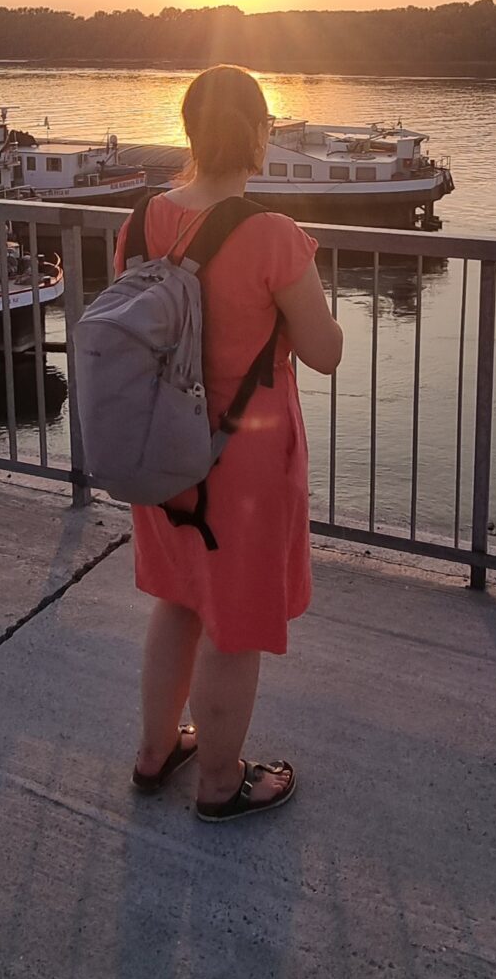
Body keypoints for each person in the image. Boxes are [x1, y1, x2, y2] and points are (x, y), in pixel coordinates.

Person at [115, 65, 343, 822]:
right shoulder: (273, 236)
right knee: (234, 621)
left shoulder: (140, 222)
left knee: (179, 599)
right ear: (258, 135)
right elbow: (325, 351)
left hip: (160, 447)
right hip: (241, 461)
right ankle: (220, 782)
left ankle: (156, 752)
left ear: (188, 130)